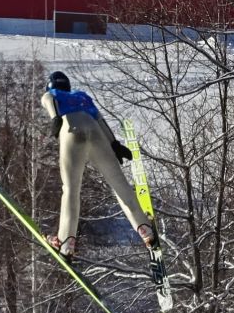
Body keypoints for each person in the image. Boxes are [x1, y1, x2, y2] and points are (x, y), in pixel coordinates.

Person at [40, 70, 153, 260]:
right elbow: (101, 121)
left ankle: (66, 243)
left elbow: (48, 100)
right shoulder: (82, 96)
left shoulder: (53, 94)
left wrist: (55, 118)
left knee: (71, 189)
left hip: (72, 130)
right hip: (96, 132)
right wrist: (115, 145)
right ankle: (145, 230)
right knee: (119, 184)